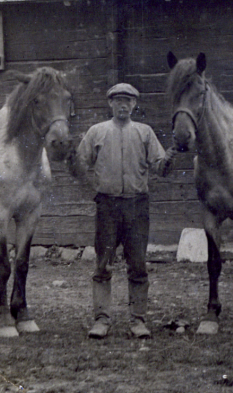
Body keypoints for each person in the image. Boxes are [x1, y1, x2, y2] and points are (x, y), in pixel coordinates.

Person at [70, 83, 176, 340]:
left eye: (128, 101)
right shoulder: (97, 132)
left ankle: (138, 320)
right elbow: (79, 167)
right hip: (107, 206)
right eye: (118, 100)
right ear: (110, 104)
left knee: (138, 264)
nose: (123, 105)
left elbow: (160, 168)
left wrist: (170, 158)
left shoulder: (144, 132)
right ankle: (101, 319)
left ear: (134, 105)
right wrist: (70, 158)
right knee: (103, 265)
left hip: (136, 205)